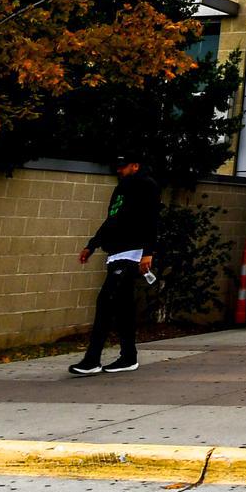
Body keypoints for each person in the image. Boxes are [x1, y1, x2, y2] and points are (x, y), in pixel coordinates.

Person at [70, 155, 160, 376]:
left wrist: (148, 253)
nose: (119, 170)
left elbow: (152, 219)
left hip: (132, 252)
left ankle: (92, 359)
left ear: (135, 166)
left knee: (105, 301)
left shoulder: (147, 185)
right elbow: (111, 219)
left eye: (123, 166)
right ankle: (129, 357)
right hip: (116, 252)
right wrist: (92, 245)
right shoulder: (120, 189)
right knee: (123, 308)